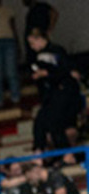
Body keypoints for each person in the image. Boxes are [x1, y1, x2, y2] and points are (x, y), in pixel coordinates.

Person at [26, 29, 80, 163]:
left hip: (63, 91)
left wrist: (48, 74)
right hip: (50, 94)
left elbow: (67, 72)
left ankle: (67, 153)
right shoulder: (36, 58)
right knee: (40, 120)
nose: (32, 47)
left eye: (33, 43)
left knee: (54, 121)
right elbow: (37, 75)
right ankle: (38, 150)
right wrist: (40, 76)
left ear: (40, 39)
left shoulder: (57, 50)